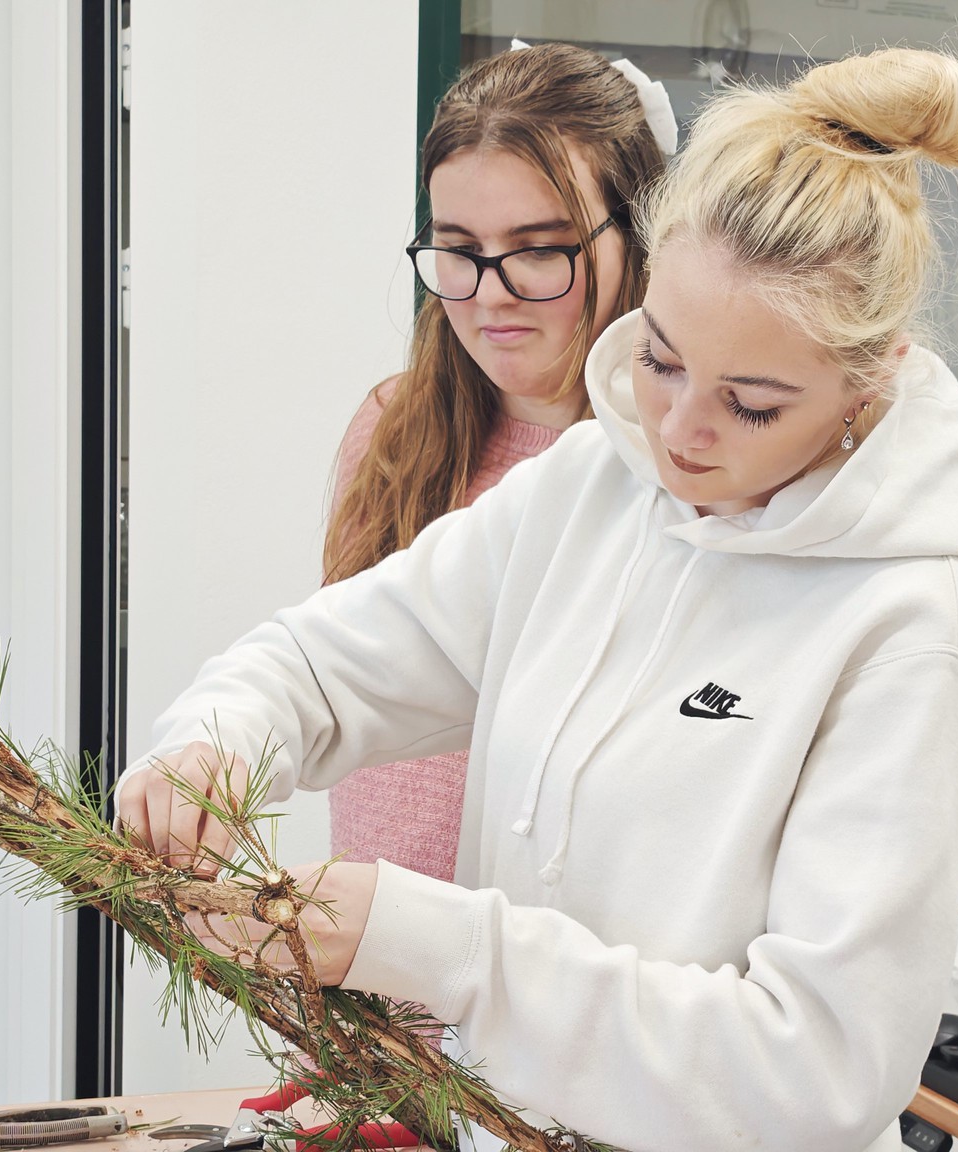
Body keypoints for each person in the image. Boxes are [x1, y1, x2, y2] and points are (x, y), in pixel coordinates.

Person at [117, 46, 958, 1152]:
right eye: (663, 361)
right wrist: (212, 743)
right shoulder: (592, 488)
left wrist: (439, 946)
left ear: (867, 389)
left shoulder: (906, 636)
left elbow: (811, 1075)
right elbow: (318, 663)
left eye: (753, 404)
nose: (680, 430)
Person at [325, 41, 671, 883]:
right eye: (458, 248)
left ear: (641, 235)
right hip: (358, 984)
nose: (489, 292)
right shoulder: (392, 432)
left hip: (550, 994)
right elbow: (341, 682)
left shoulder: (686, 466)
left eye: (539, 247)